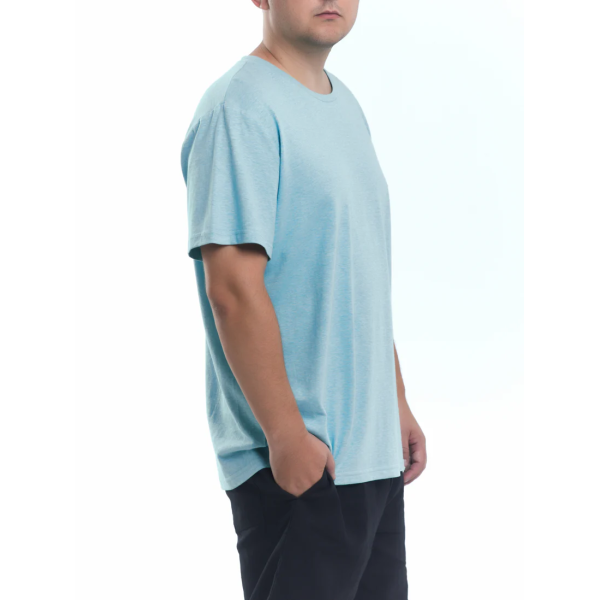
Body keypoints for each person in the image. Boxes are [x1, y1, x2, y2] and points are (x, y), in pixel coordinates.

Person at [180, 1, 426, 598]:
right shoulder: (239, 108)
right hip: (299, 463)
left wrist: (395, 402)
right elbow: (232, 289)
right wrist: (286, 434)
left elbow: (356, 274)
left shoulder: (344, 105)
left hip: (368, 456)